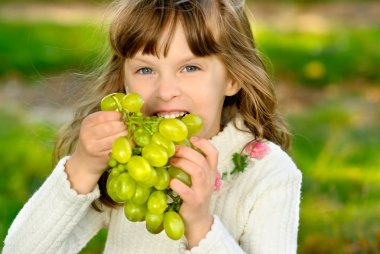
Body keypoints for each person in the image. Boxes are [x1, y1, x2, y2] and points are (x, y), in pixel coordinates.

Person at [3, 0, 302, 253]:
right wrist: (82, 168)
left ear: (232, 78)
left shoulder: (269, 174)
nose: (165, 90)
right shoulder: (126, 159)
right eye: (145, 69)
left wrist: (200, 225)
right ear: (124, 80)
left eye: (190, 68)